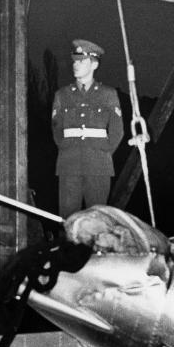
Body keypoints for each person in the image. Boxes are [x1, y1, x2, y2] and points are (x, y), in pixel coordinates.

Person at [51, 39, 124, 217]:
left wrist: (102, 153)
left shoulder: (108, 94)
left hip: (99, 166)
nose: (76, 65)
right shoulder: (62, 95)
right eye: (75, 61)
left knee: (98, 220)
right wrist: (69, 149)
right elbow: (57, 130)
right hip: (69, 165)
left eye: (82, 61)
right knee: (68, 220)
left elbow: (117, 131)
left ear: (94, 64)